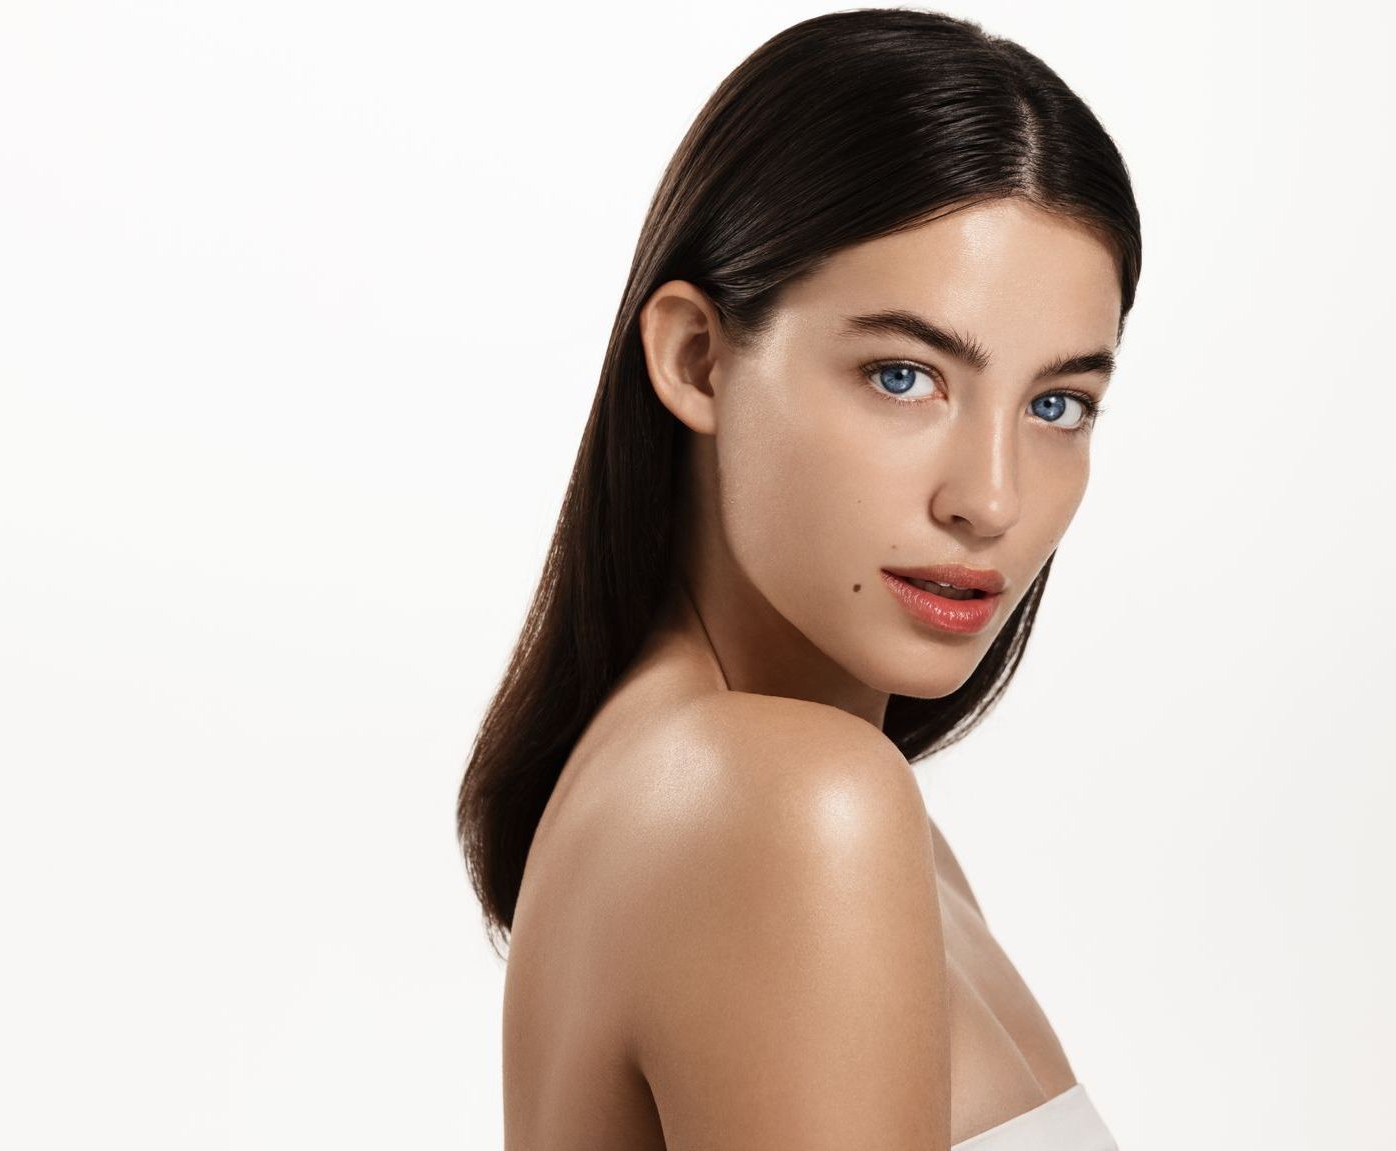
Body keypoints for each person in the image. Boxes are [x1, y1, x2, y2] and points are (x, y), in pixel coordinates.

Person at [458, 9, 1141, 1148]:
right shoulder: (789, 803)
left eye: (1055, 403)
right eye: (902, 374)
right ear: (695, 358)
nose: (990, 497)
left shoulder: (724, 781)